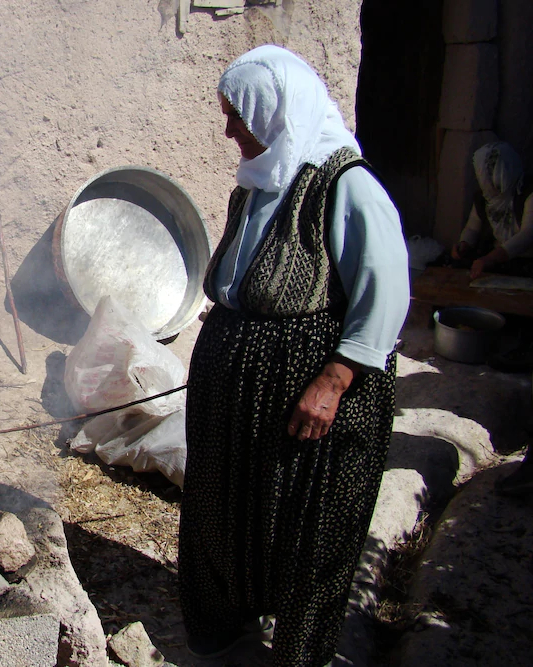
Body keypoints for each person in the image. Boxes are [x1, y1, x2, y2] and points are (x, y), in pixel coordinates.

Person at [179, 45, 410, 667]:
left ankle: (299, 653)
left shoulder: (347, 185)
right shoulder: (256, 186)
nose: (229, 130)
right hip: (240, 389)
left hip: (312, 393)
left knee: (307, 528)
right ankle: (227, 629)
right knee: (228, 511)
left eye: (238, 115)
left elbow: (385, 293)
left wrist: (332, 382)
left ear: (277, 111)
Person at [451, 141, 533, 279]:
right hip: (500, 260)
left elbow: (527, 235)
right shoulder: (486, 197)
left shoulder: (527, 193)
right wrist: (464, 244)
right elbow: (472, 228)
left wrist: (491, 258)